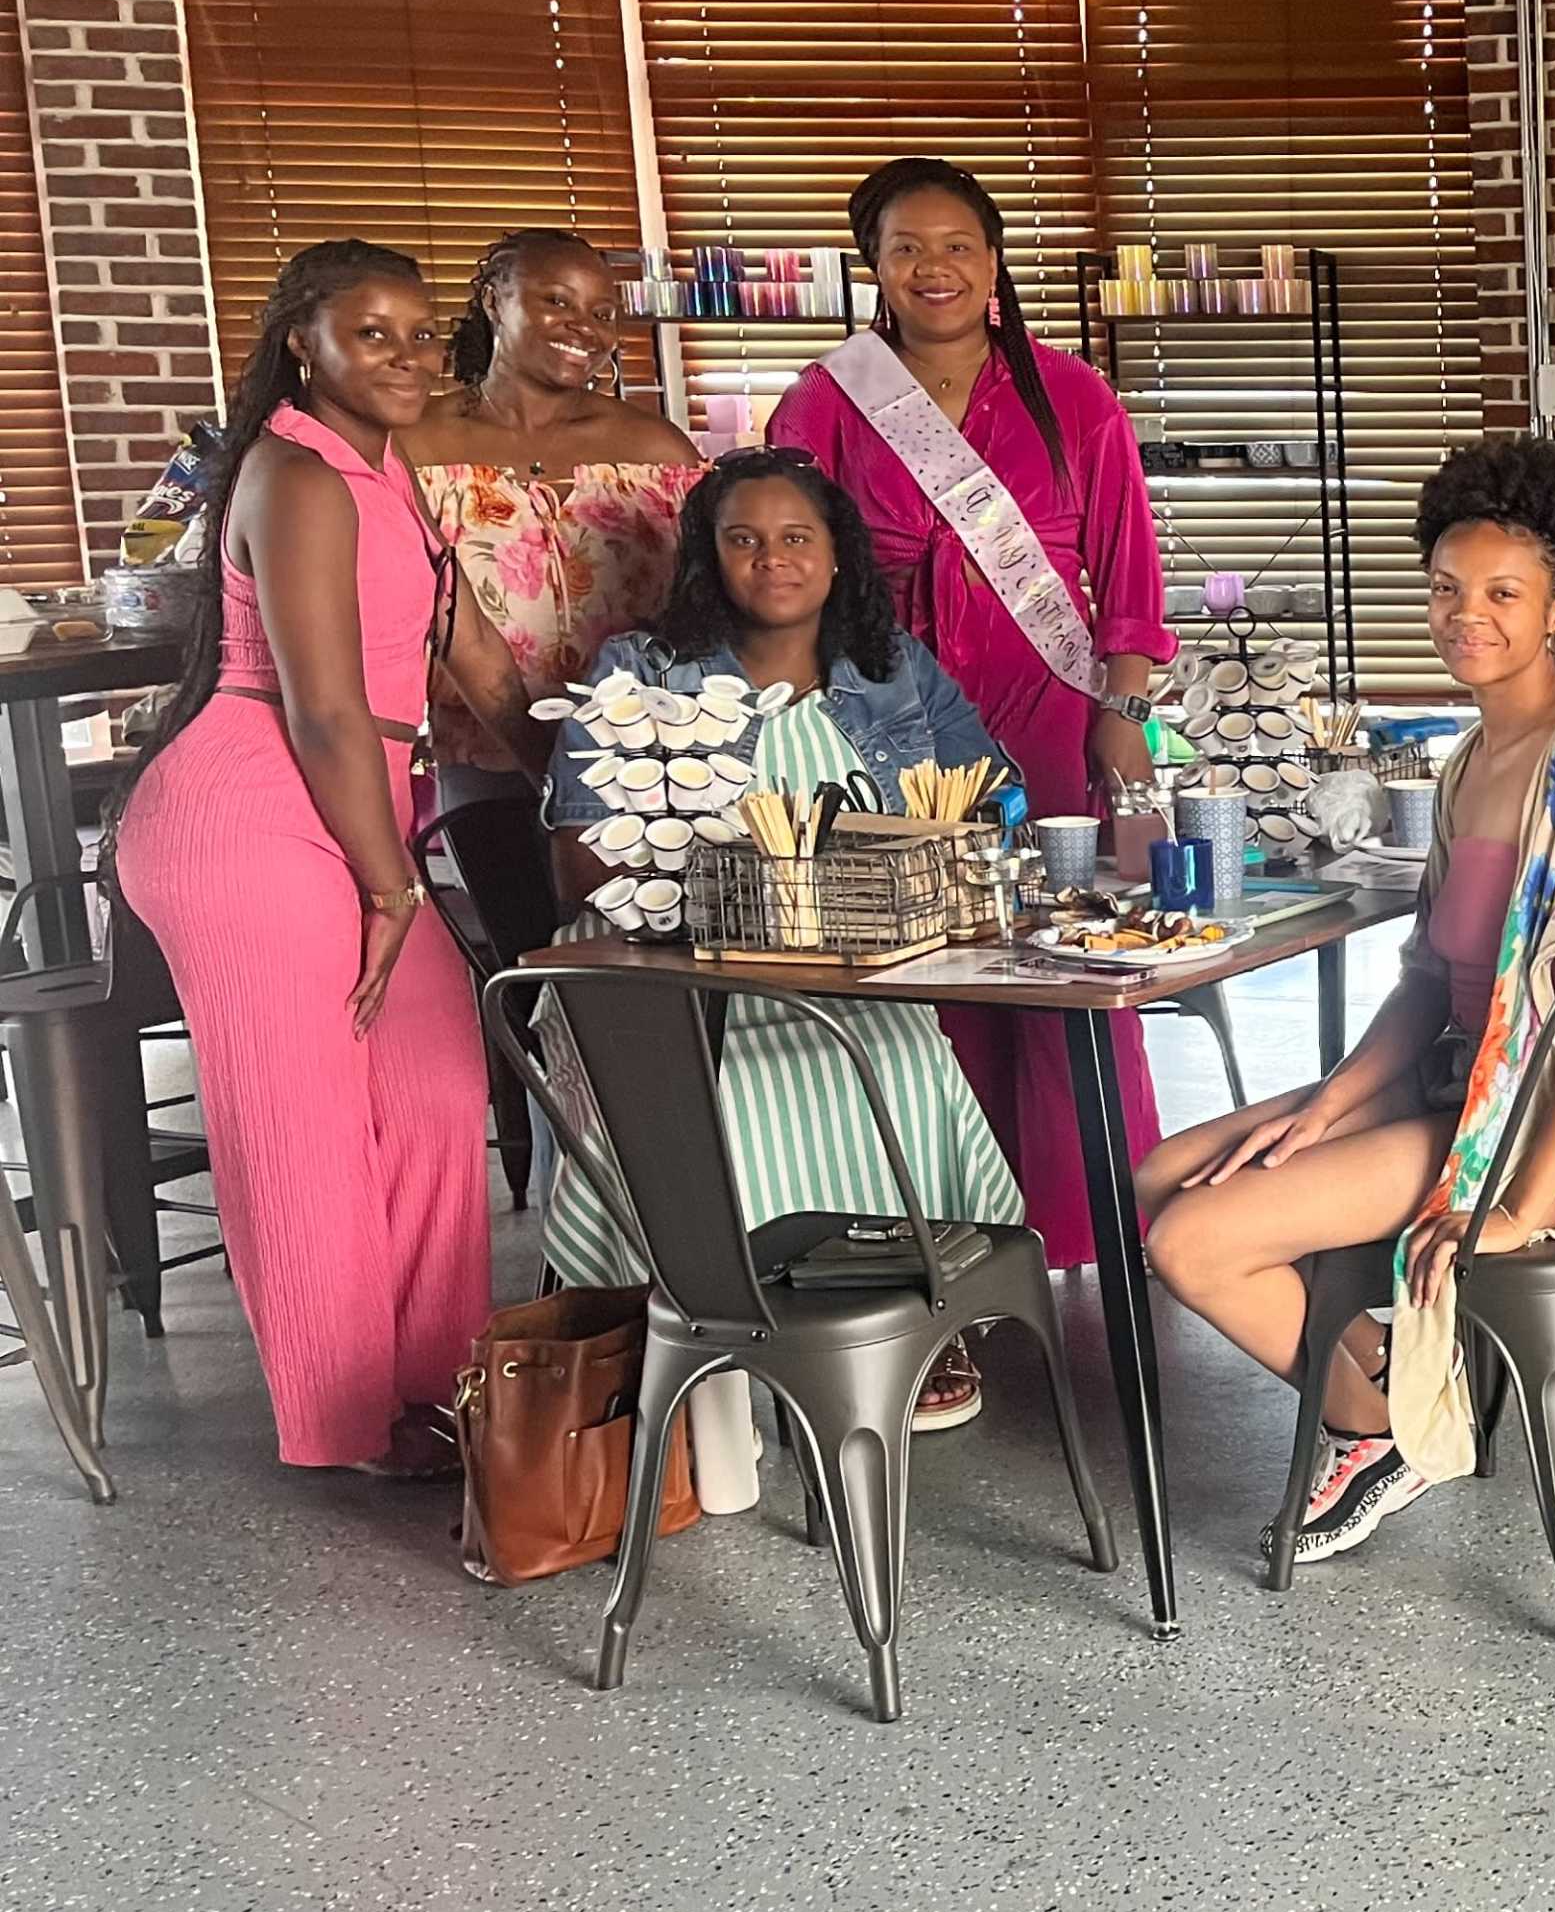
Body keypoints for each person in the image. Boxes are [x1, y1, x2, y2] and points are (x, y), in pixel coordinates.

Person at [1139, 439, 1555, 1566]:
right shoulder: (1474, 753)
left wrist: (1526, 1201)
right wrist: (1329, 1106)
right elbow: (1430, 976)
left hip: (1535, 1126)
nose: (1464, 614)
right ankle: (1377, 1376)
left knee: (1193, 1242)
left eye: (1501, 594)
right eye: (1445, 589)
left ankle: (1374, 1426)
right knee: (1152, 1178)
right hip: (1453, 1081)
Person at [116, 241, 546, 1473]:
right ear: (304, 341)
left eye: (422, 334)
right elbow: (323, 708)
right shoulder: (295, 475)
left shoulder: (386, 471)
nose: (409, 356)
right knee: (299, 1122)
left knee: (428, 1088)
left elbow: (469, 656)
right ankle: (348, 1423)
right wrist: (388, 882)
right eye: (375, 334)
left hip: (354, 810)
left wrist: (586, 792)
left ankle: (433, 1385)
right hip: (254, 814)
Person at [537, 451, 1022, 1429]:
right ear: (708, 561)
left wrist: (921, 864)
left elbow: (994, 800)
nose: (773, 560)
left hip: (856, 972)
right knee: (733, 1091)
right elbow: (579, 854)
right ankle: (733, 1318)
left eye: (797, 537)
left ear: (837, 555)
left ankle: (902, 1314)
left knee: (903, 1060)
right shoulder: (643, 673)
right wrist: (735, 896)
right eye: (743, 540)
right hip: (675, 974)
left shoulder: (893, 672)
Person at [766, 158, 1174, 1268]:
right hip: (890, 721)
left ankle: (1081, 1225)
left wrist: (1122, 714)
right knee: (921, 973)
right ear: (874, 269)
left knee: (1061, 957)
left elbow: (1127, 581)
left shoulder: (1073, 396)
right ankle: (935, 1232)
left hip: (1049, 716)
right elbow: (787, 568)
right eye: (906, 249)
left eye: (956, 246)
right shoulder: (824, 401)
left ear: (993, 262)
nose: (932, 269)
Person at [404, 228, 704, 968]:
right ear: (492, 301)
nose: (586, 328)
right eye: (556, 301)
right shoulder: (413, 443)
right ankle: (529, 1091)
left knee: (652, 983)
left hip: (646, 776)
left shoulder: (659, 450)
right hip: (488, 765)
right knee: (531, 968)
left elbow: (704, 611)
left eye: (602, 313)